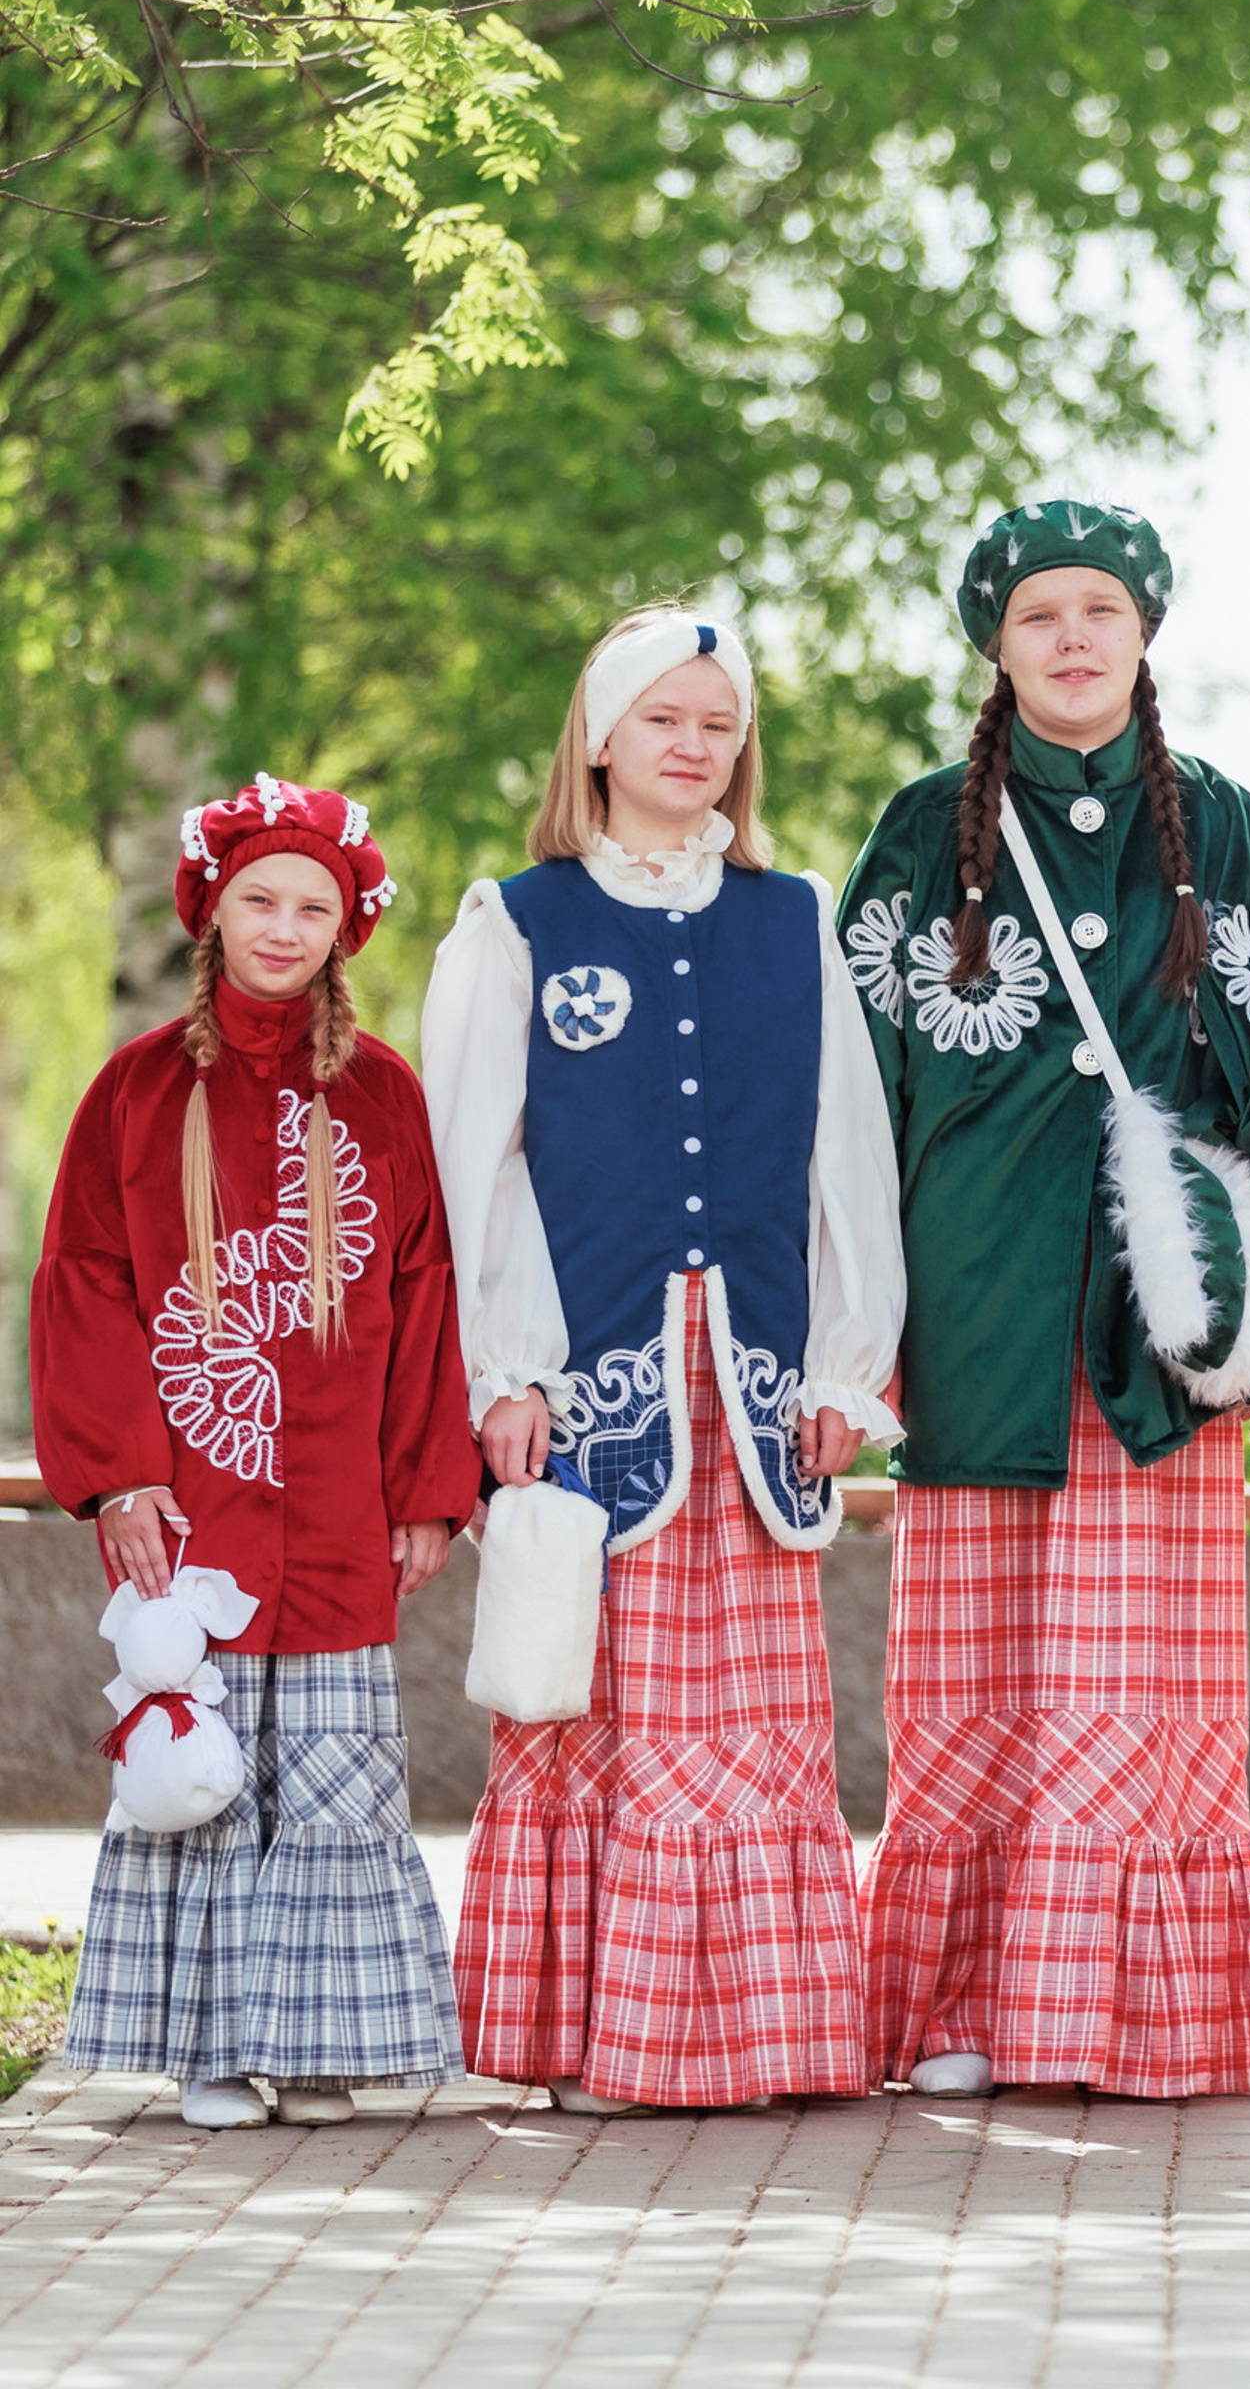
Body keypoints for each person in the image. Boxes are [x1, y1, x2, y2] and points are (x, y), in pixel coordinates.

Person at [838, 499, 1250, 2100]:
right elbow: (849, 1100)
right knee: (965, 1665)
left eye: (1097, 613)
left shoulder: (1230, 831)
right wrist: (857, 1322)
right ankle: (969, 2009)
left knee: (1148, 1670)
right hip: (971, 1298)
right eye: (1039, 614)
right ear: (997, 641)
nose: (1070, 639)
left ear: (1142, 635)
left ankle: (1144, 2018)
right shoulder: (922, 835)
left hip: (1164, 1318)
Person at [422, 607, 904, 2111]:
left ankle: (761, 2037)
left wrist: (842, 1363)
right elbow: (472, 1165)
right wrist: (499, 1365)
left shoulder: (790, 916)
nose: (695, 748)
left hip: (748, 1367)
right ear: (602, 737)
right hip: (592, 1365)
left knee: (751, 1697)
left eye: (719, 726)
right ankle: (589, 2039)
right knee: (598, 1682)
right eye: (665, 720)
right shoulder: (519, 921)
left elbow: (848, 1157)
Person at [33, 777, 477, 2130]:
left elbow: (424, 1300)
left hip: (344, 1500)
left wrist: (427, 1492)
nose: (283, 928)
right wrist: (118, 1469)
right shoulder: (135, 1089)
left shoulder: (386, 1097)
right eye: (259, 902)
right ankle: (216, 2048)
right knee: (207, 1763)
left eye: (312, 908)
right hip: (194, 1493)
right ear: (209, 911)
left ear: (347, 928)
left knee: (334, 1763)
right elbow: (86, 1281)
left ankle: (331, 2043)